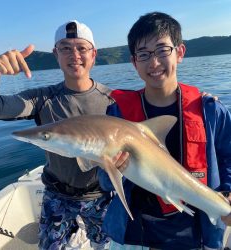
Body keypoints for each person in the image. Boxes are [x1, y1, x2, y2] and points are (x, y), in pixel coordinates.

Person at [98, 12, 231, 250]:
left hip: (197, 234)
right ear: (133, 61)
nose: (154, 63)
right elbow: (106, 185)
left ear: (180, 52)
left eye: (162, 50)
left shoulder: (211, 111)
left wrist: (229, 192)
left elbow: (229, 155)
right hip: (133, 235)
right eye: (144, 54)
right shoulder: (117, 116)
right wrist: (109, 168)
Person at [0, 20, 113, 249]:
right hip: (56, 196)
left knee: (104, 245)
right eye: (65, 48)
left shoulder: (114, 101)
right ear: (56, 54)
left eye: (82, 48)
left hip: (100, 197)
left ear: (94, 54)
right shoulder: (42, 99)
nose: (75, 55)